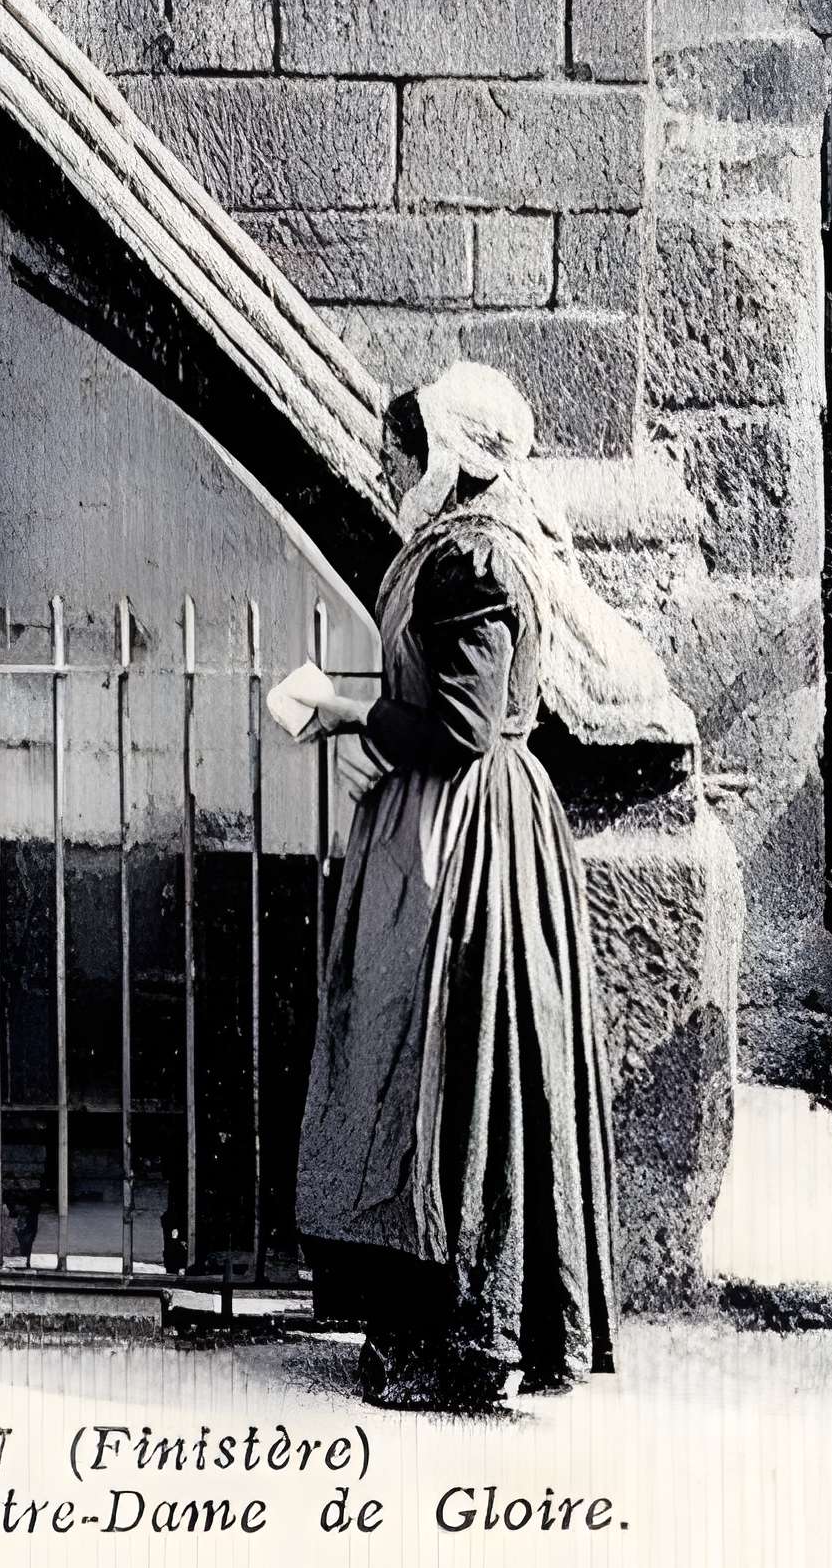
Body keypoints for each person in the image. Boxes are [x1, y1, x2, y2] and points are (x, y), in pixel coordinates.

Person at [285, 363, 617, 1410]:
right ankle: (432, 1333)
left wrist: (347, 715)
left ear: (452, 458)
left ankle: (465, 1339)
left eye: (399, 457)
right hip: (441, 818)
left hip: (469, 836)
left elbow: (466, 730)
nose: (386, 475)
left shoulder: (472, 557)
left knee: (451, 1071)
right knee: (430, 1068)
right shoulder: (453, 546)